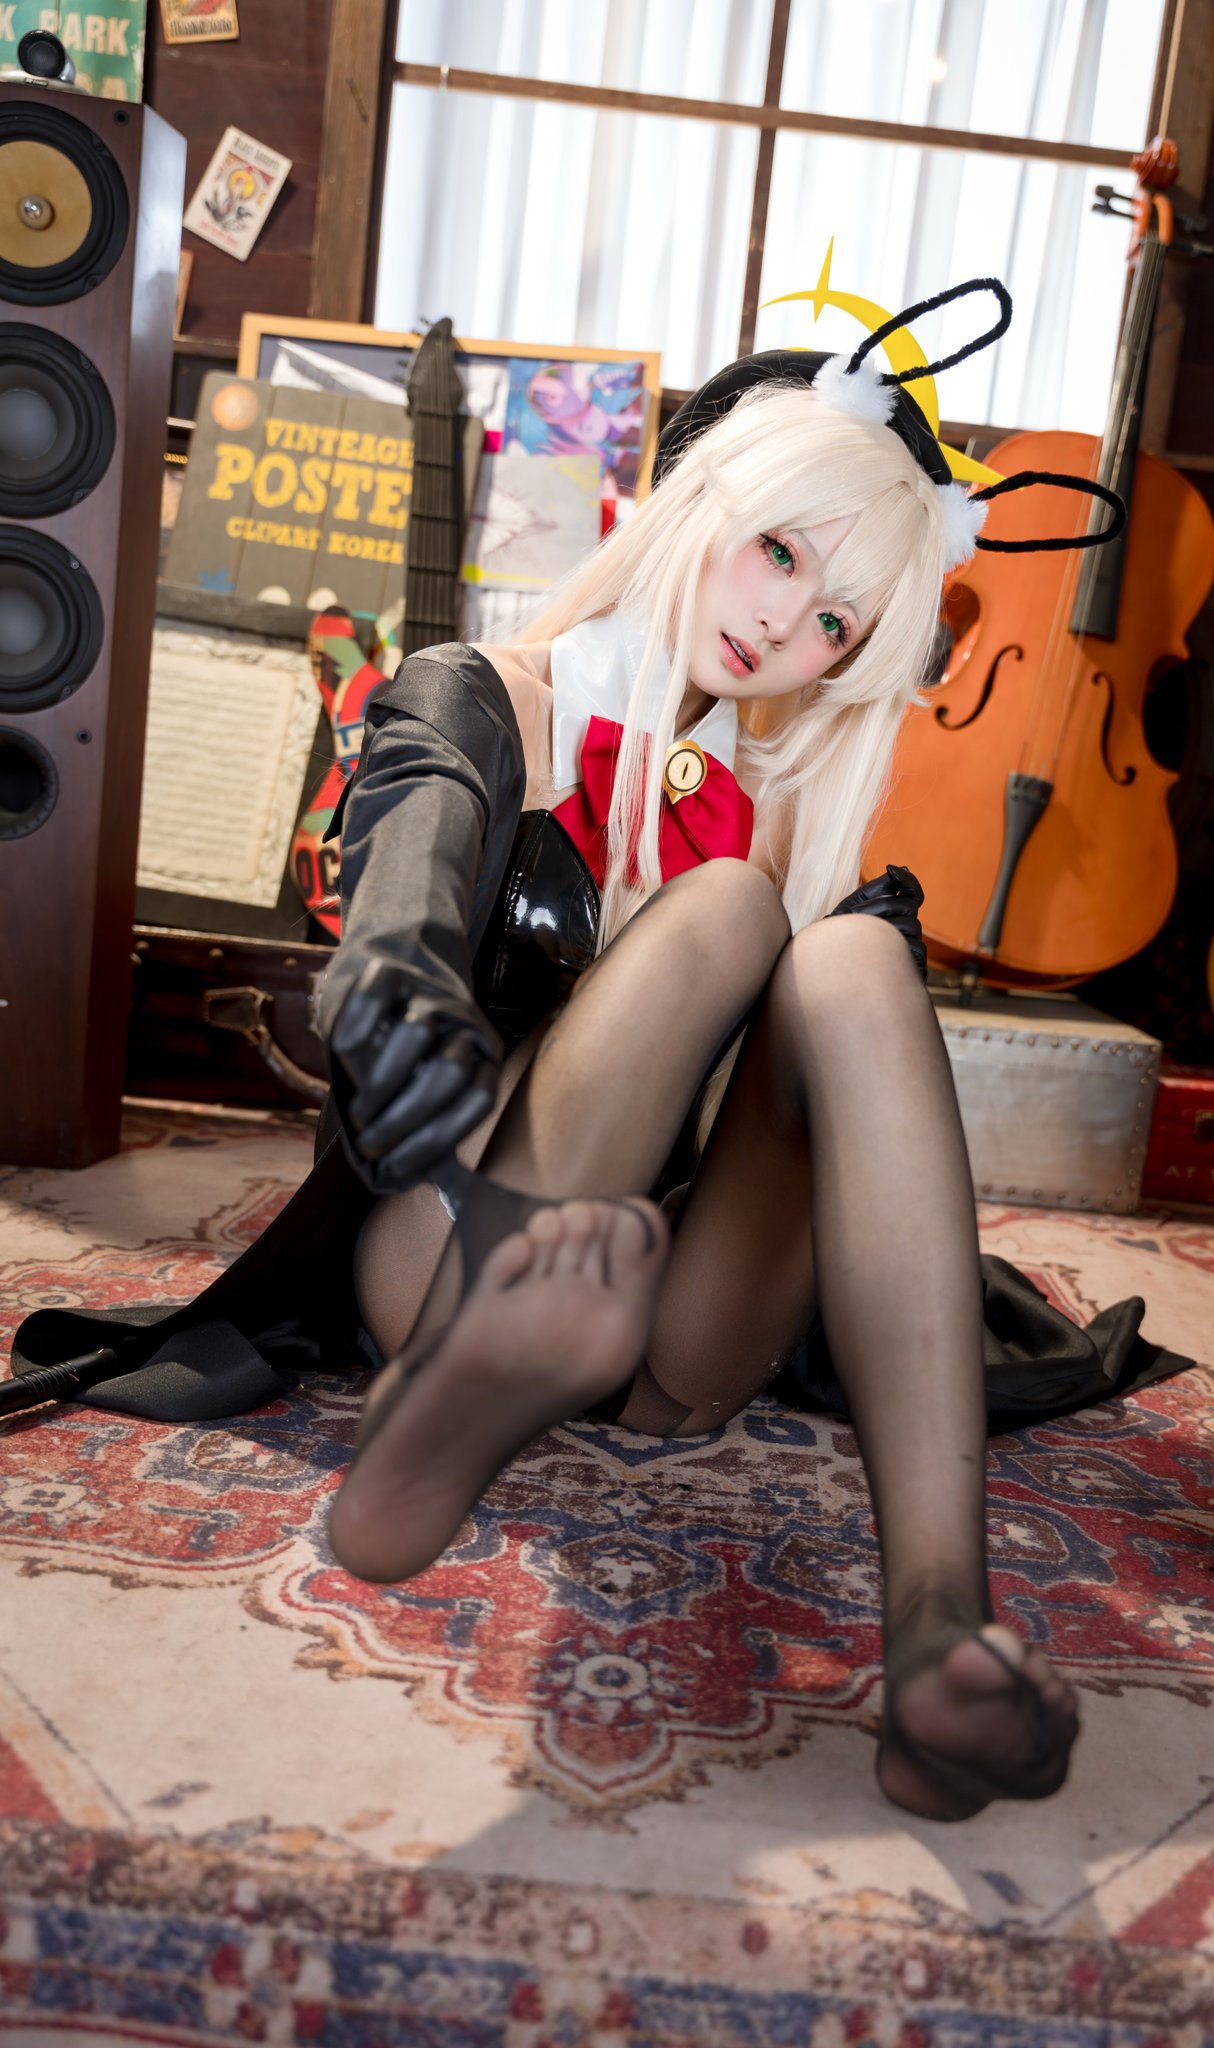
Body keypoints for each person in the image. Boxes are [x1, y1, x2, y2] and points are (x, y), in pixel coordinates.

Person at [314, 281, 1127, 1822]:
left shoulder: (770, 800)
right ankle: (463, 1380)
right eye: (780, 553)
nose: (780, 626)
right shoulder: (485, 699)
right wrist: (398, 1006)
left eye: (834, 625)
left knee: (849, 953)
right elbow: (397, 909)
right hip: (447, 1239)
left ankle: (937, 1628)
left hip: (664, 1319)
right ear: (710, 498)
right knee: (731, 908)